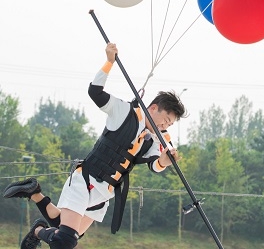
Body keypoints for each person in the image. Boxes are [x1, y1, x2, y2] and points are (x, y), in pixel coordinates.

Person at [3, 42, 187, 249]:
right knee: (65, 241)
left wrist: (165, 160)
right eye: (166, 119)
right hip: (87, 180)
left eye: (170, 124)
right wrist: (109, 63)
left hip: (104, 193)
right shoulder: (125, 112)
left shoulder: (158, 138)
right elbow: (95, 92)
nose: (165, 125)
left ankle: (35, 195)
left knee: (59, 223)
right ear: (153, 108)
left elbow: (155, 164)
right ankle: (38, 228)